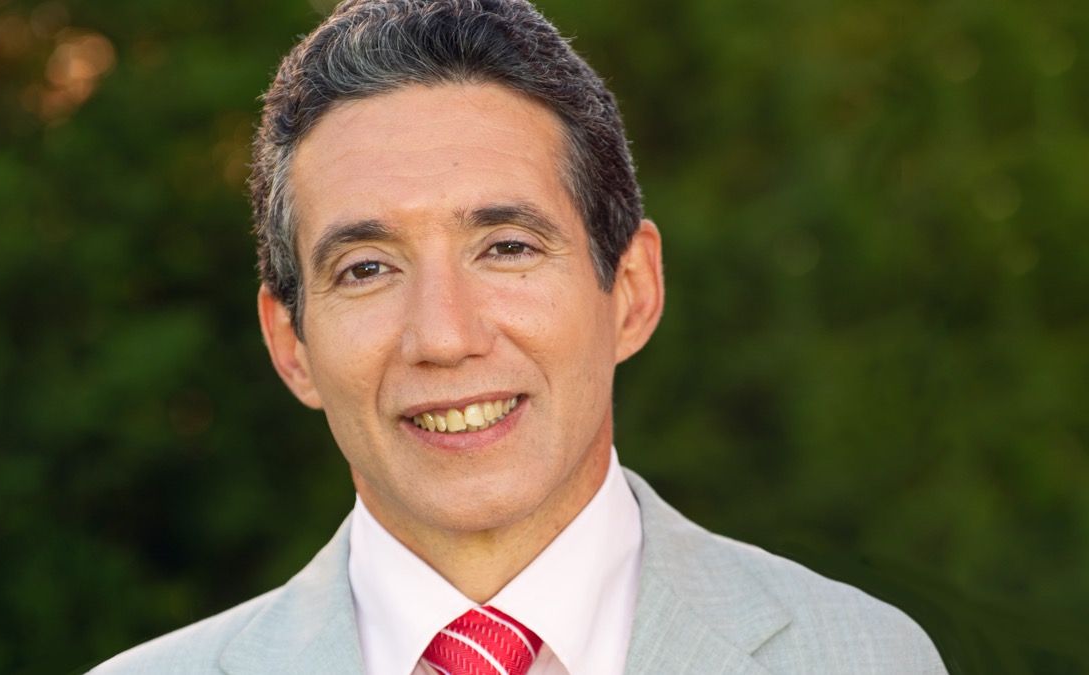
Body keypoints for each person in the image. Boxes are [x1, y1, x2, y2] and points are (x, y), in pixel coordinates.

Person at [93, 0, 948, 672]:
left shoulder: (866, 659)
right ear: (291, 345)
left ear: (632, 291)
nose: (443, 335)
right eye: (367, 267)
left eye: (507, 247)